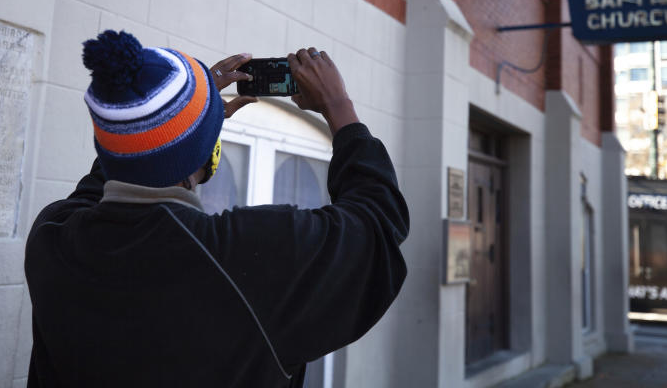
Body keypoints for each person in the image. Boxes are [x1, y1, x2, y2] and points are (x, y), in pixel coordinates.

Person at [24, 30, 410, 387]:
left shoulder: (52, 238)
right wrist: (339, 108)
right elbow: (377, 223)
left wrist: (188, 119)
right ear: (206, 151)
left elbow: (109, 175)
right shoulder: (250, 259)